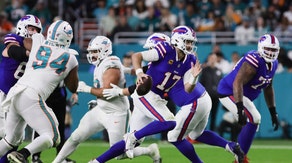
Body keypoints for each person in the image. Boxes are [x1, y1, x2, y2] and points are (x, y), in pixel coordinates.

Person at [102, 31, 245, 163]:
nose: (190, 45)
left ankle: (132, 138)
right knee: (196, 135)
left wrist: (194, 78)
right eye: (187, 41)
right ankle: (230, 145)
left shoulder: (173, 56)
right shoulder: (164, 61)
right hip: (201, 99)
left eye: (191, 42)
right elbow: (142, 71)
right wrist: (127, 71)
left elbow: (187, 87)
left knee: (173, 136)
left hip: (194, 102)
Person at [52, 36, 160, 163]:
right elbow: (125, 71)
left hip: (116, 113)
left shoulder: (111, 66)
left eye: (95, 51)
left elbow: (106, 92)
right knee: (76, 137)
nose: (92, 54)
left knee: (119, 153)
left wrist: (86, 89)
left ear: (105, 50)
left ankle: (150, 151)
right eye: (91, 51)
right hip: (101, 110)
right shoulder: (104, 63)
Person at [0, 19, 79, 163]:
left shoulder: (37, 40)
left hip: (15, 92)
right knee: (52, 137)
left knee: (10, 140)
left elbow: (22, 39)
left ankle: (21, 153)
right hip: (32, 95)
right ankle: (23, 154)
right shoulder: (71, 58)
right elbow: (73, 87)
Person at [217, 34, 280, 162]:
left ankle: (240, 156)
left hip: (242, 96)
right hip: (228, 92)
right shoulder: (254, 60)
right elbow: (237, 83)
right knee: (255, 118)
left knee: (254, 120)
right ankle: (240, 157)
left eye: (273, 50)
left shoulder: (273, 64)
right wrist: (239, 109)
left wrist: (273, 112)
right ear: (261, 47)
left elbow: (268, 88)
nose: (271, 53)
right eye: (268, 49)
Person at [0, 14, 43, 163]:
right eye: (31, 28)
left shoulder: (39, 49)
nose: (33, 32)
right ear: (22, 27)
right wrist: (31, 56)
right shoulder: (14, 39)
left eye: (36, 30)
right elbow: (13, 51)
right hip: (3, 94)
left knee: (15, 139)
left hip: (18, 97)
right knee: (4, 134)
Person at [199, 53, 223, 131]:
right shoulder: (205, 70)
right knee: (204, 115)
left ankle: (212, 133)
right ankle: (202, 133)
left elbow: (221, 84)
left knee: (214, 115)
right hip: (206, 96)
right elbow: (201, 83)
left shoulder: (219, 70)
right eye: (211, 58)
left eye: (214, 58)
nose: (213, 60)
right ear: (209, 59)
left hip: (216, 96)